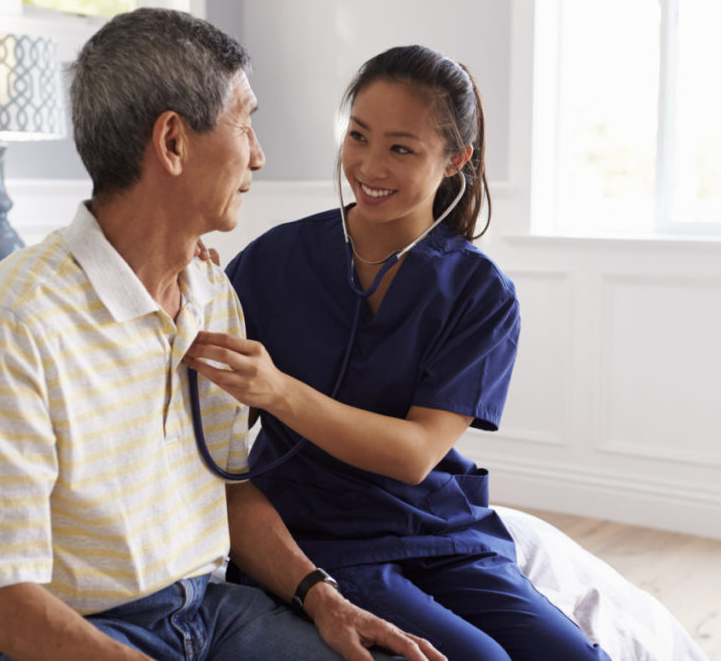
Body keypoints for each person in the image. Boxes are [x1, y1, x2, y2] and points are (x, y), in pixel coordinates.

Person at [0, 9, 444, 661]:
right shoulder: (16, 317)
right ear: (173, 141)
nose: (259, 154)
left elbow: (226, 485)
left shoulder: (211, 294)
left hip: (205, 611)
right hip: (67, 632)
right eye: (246, 121)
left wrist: (322, 596)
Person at [184, 45, 612, 660]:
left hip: (439, 530)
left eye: (400, 148)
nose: (367, 164)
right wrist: (188, 281)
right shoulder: (277, 260)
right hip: (318, 534)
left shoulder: (480, 293)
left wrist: (280, 391)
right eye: (358, 136)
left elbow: (415, 455)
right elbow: (203, 405)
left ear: (455, 159)